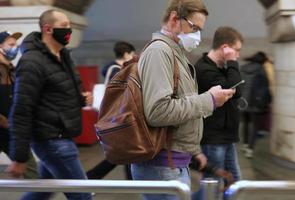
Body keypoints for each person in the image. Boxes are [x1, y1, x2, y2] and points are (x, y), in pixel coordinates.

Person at [131, 0, 235, 200]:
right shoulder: (159, 52)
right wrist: (209, 100)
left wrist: (194, 151)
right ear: (174, 18)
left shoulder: (174, 53)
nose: (196, 35)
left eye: (199, 30)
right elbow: (158, 111)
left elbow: (181, 104)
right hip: (162, 167)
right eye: (193, 27)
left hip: (174, 163)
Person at [6, 10, 92, 200]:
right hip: (52, 140)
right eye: (64, 26)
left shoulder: (63, 56)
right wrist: (19, 157)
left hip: (63, 135)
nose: (68, 30)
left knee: (42, 190)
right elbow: (21, 109)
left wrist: (82, 98)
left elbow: (63, 92)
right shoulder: (32, 62)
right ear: (48, 29)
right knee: (83, 195)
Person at [193, 26, 243, 200]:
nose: (237, 55)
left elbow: (239, 88)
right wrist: (232, 63)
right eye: (236, 50)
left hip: (227, 137)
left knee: (235, 184)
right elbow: (235, 88)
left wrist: (230, 65)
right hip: (213, 138)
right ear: (225, 48)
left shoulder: (223, 68)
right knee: (211, 187)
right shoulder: (204, 70)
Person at [87, 41, 136, 180]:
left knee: (125, 151)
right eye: (132, 54)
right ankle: (91, 177)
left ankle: (92, 177)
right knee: (125, 151)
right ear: (126, 54)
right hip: (119, 117)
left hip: (118, 116)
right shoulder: (117, 71)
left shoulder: (113, 69)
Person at [0, 31, 38, 179]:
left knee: (34, 175)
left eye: (16, 44)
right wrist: (4, 121)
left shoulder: (12, 70)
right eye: (11, 44)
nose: (14, 48)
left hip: (12, 132)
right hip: (6, 127)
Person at [240, 51, 272, 158]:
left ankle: (244, 144)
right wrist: (267, 101)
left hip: (243, 102)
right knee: (255, 126)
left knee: (245, 124)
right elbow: (265, 88)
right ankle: (250, 148)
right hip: (255, 102)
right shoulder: (261, 70)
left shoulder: (243, 68)